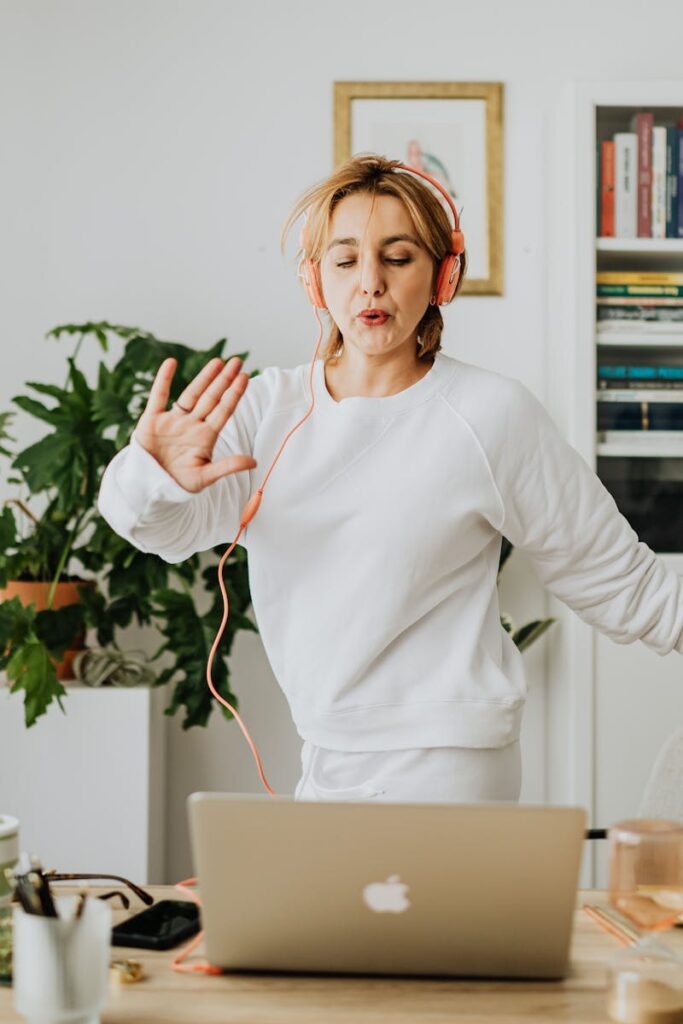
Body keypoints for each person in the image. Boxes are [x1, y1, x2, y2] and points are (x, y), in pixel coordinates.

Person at [97, 153, 683, 805]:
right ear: (314, 280)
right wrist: (153, 472)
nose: (370, 283)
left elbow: (618, 579)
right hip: (324, 752)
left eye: (398, 258)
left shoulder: (492, 413)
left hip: (453, 760)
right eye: (346, 260)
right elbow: (163, 532)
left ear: (442, 276)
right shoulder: (264, 410)